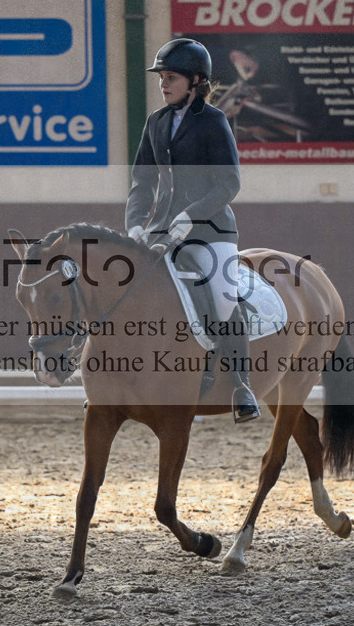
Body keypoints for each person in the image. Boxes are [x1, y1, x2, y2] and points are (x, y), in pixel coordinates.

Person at [125, 38, 260, 423]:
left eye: (171, 78)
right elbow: (141, 183)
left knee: (221, 295)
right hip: (160, 231)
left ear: (196, 80)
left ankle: (240, 384)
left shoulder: (213, 121)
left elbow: (229, 183)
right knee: (124, 288)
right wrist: (135, 224)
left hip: (210, 231)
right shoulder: (156, 122)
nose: (163, 84)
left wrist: (190, 217)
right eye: (162, 78)